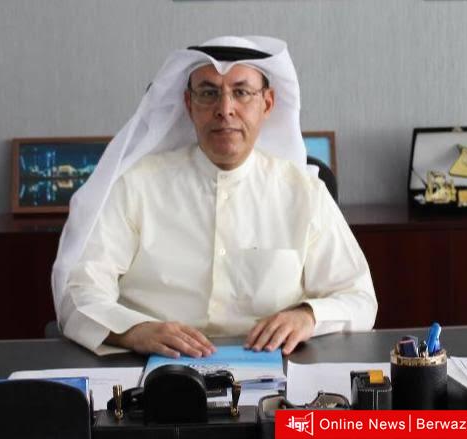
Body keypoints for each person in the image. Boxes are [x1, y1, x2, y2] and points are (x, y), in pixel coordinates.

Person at [52, 36, 377, 358]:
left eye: (241, 92)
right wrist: (133, 330)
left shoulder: (305, 193)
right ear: (189, 104)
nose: (225, 109)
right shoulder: (136, 186)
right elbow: (78, 292)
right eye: (209, 93)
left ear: (267, 103)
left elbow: (359, 297)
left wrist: (308, 316)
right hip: (154, 368)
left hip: (277, 368)